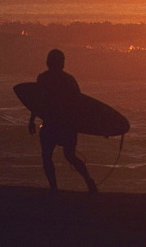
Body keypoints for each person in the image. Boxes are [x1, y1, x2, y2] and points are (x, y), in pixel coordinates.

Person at [28, 49, 98, 193]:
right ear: (62, 63)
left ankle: (54, 188)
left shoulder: (43, 78)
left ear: (48, 62)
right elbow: (79, 104)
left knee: (47, 156)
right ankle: (89, 181)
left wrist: (32, 120)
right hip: (67, 124)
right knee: (70, 156)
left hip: (51, 123)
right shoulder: (69, 79)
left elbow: (38, 101)